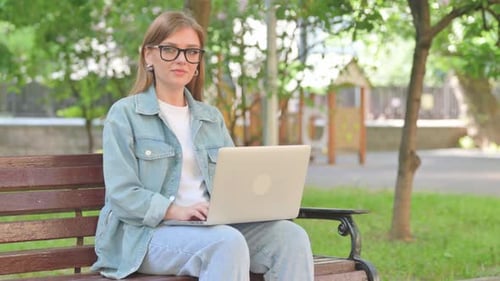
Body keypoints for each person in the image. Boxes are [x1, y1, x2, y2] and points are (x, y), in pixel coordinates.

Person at [90, 10, 314, 281]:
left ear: (198, 61)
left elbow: (235, 180)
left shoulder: (210, 118)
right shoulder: (125, 115)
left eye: (191, 52)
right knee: (225, 243)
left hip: (213, 227)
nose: (182, 59)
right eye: (170, 49)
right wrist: (175, 210)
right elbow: (122, 193)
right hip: (147, 235)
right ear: (149, 55)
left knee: (290, 237)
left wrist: (253, 202)